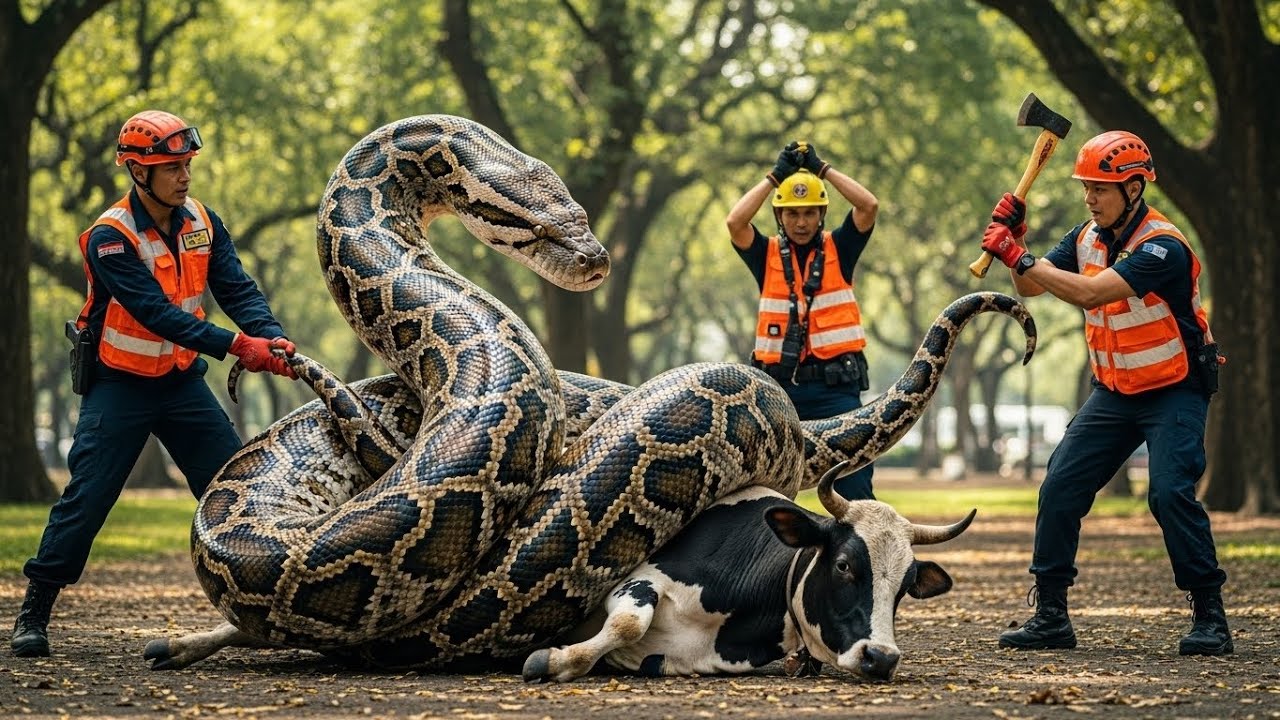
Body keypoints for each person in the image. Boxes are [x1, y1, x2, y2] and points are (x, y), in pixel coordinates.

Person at [10, 110, 299, 658]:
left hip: (181, 384)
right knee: (87, 499)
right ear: (138, 172)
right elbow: (153, 313)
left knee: (240, 492)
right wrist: (239, 347)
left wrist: (270, 335)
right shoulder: (110, 237)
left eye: (188, 164)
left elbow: (236, 287)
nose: (185, 176)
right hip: (119, 387)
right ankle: (35, 612)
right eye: (171, 167)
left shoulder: (201, 221)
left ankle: (269, 609)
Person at [980, 130, 1231, 656]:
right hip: (1114, 392)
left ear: (1135, 188)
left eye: (1101, 187)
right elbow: (1031, 286)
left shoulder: (1163, 246)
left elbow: (1089, 293)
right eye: (1086, 187)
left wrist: (1017, 255)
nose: (1090, 197)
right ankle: (1050, 616)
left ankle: (1210, 616)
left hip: (1174, 391)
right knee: (1060, 487)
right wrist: (1017, 246)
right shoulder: (1086, 235)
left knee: (1167, 494)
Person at [727, 141, 879, 500]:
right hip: (780, 394)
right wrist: (774, 177)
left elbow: (868, 205)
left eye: (809, 212)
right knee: (766, 493)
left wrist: (822, 169)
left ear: (821, 214)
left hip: (836, 394)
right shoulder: (764, 255)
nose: (800, 222)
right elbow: (735, 222)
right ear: (780, 216)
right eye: (792, 213)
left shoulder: (840, 248)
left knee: (856, 492)